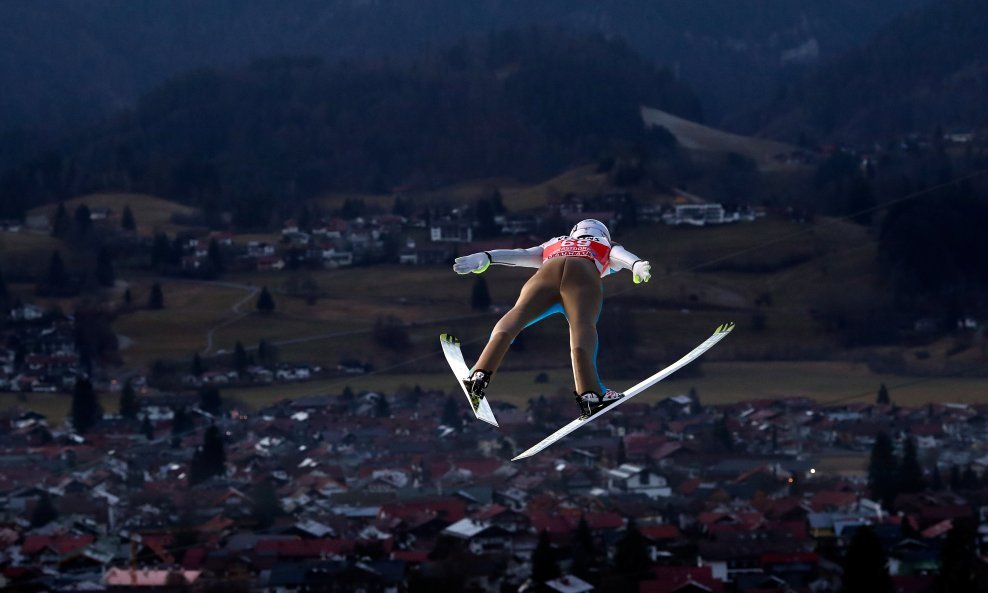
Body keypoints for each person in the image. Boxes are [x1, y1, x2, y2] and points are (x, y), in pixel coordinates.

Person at [453, 219, 651, 417]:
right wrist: (636, 264)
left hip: (545, 275)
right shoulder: (605, 243)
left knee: (517, 315)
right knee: (582, 326)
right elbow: (620, 255)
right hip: (582, 276)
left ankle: (479, 374)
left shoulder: (556, 242)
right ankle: (590, 394)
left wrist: (487, 256)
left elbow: (521, 255)